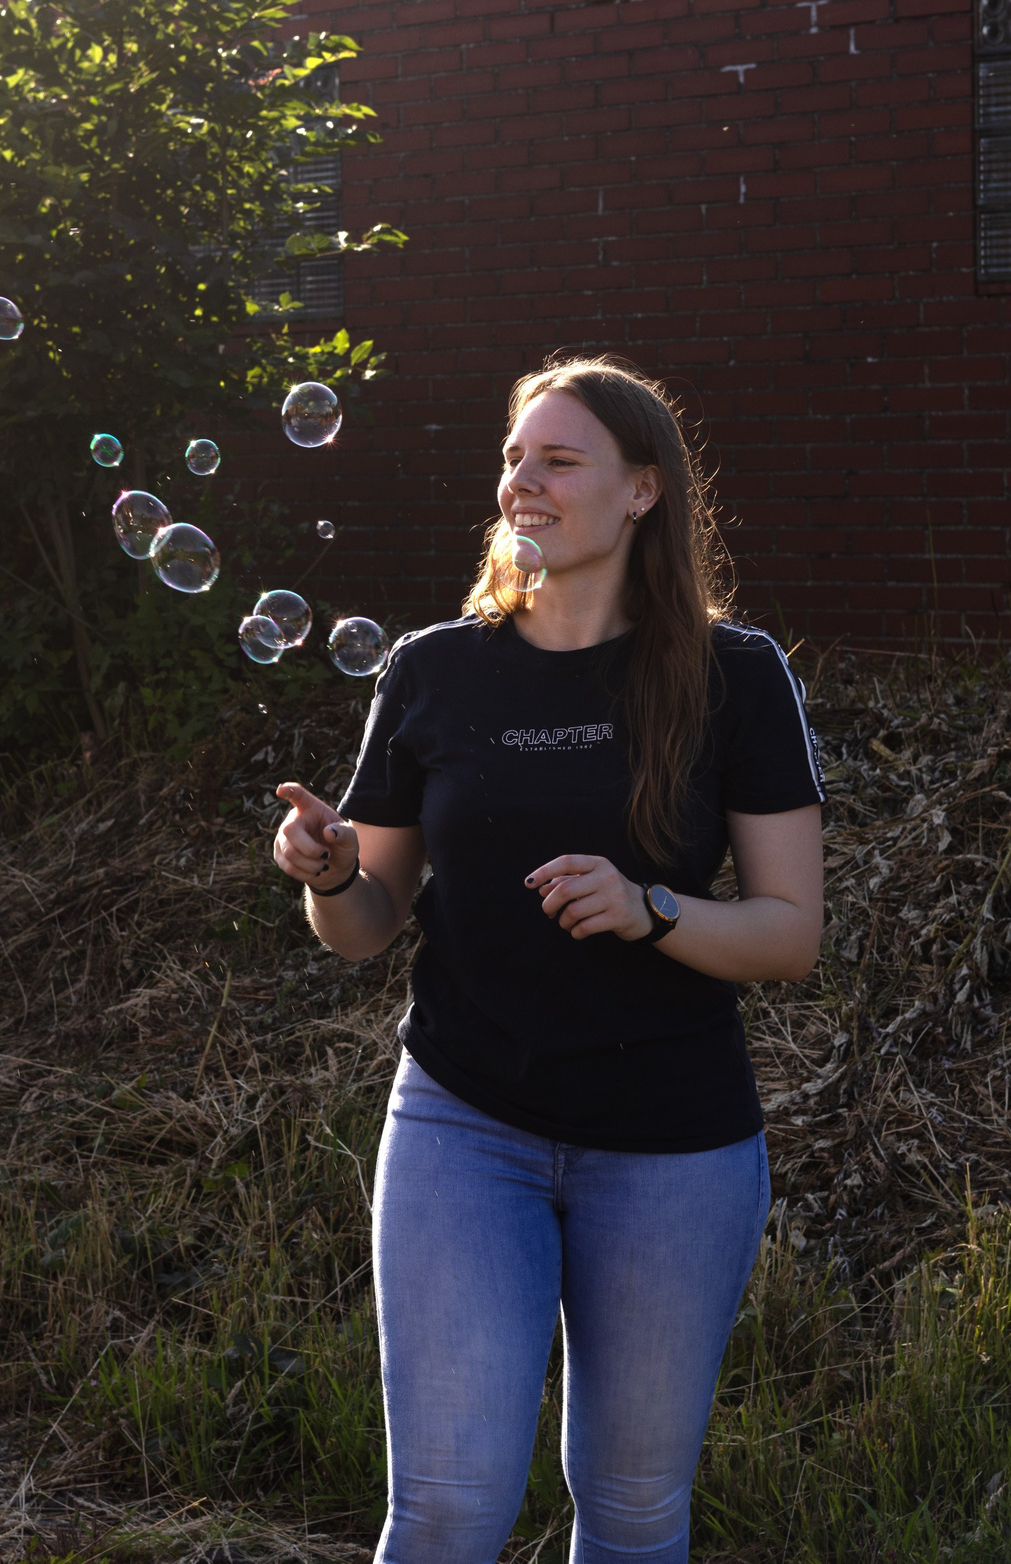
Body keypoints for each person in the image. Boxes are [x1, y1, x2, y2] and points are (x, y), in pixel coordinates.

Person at [269, 355, 826, 1564]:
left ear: (642, 492)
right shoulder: (433, 667)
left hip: (674, 1148)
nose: (524, 478)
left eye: (559, 458)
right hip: (466, 1126)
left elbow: (789, 933)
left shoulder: (736, 676)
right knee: (446, 1511)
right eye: (516, 455)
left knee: (630, 1515)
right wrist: (326, 875)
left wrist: (651, 908)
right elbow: (366, 923)